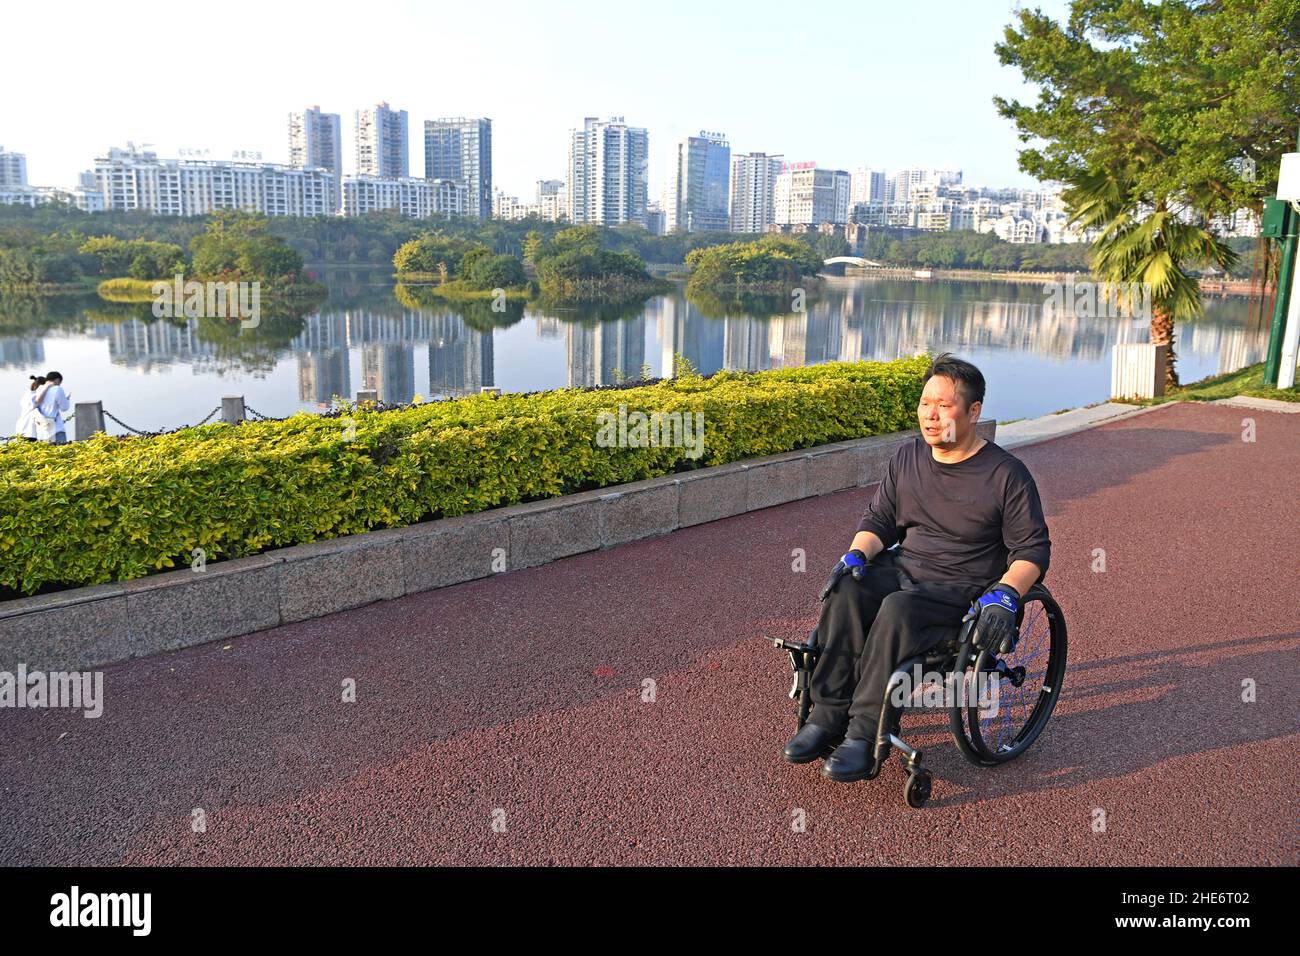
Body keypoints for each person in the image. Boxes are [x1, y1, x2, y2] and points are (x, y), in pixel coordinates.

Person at [782, 353, 1051, 782]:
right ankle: (827, 714)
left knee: (897, 609)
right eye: (925, 403)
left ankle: (867, 733)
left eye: (943, 405)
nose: (930, 414)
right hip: (907, 565)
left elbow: (1032, 550)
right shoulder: (908, 459)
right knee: (848, 589)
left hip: (962, 586)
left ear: (973, 410)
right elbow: (880, 520)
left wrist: (1007, 593)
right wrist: (855, 555)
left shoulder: (1006, 475)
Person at [33, 370, 71, 444]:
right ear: (57, 380)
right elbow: (64, 408)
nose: (59, 385)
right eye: (60, 382)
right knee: (61, 452)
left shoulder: (38, 389)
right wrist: (67, 399)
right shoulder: (57, 389)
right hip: (56, 429)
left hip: (41, 430)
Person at [14, 375, 50, 441]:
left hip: (21, 428)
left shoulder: (27, 394)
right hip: (30, 431)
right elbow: (34, 405)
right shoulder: (35, 396)